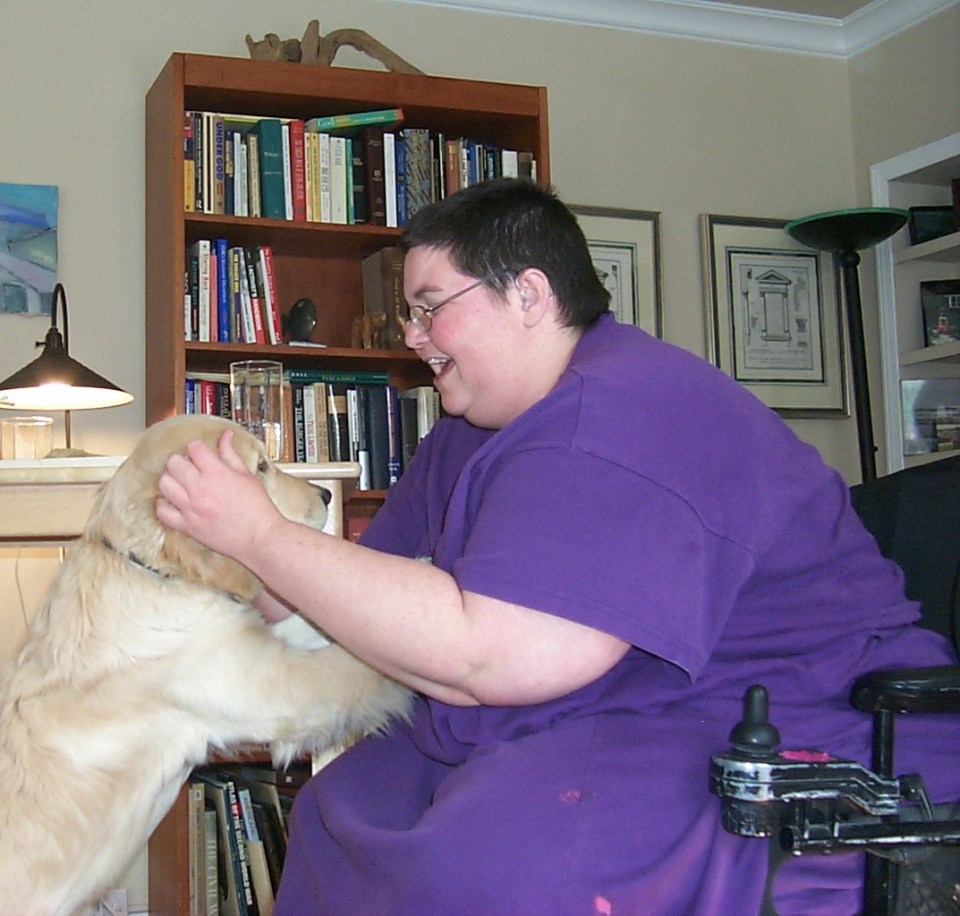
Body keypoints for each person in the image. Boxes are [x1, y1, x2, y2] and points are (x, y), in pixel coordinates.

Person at [157, 178, 960, 915]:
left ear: (529, 295)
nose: (412, 335)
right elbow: (341, 601)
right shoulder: (468, 433)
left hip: (775, 714)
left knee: (486, 858)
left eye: (431, 306)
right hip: (596, 707)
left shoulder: (625, 410)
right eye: (410, 312)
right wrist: (238, 542)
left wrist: (262, 534)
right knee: (346, 805)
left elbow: (502, 657)